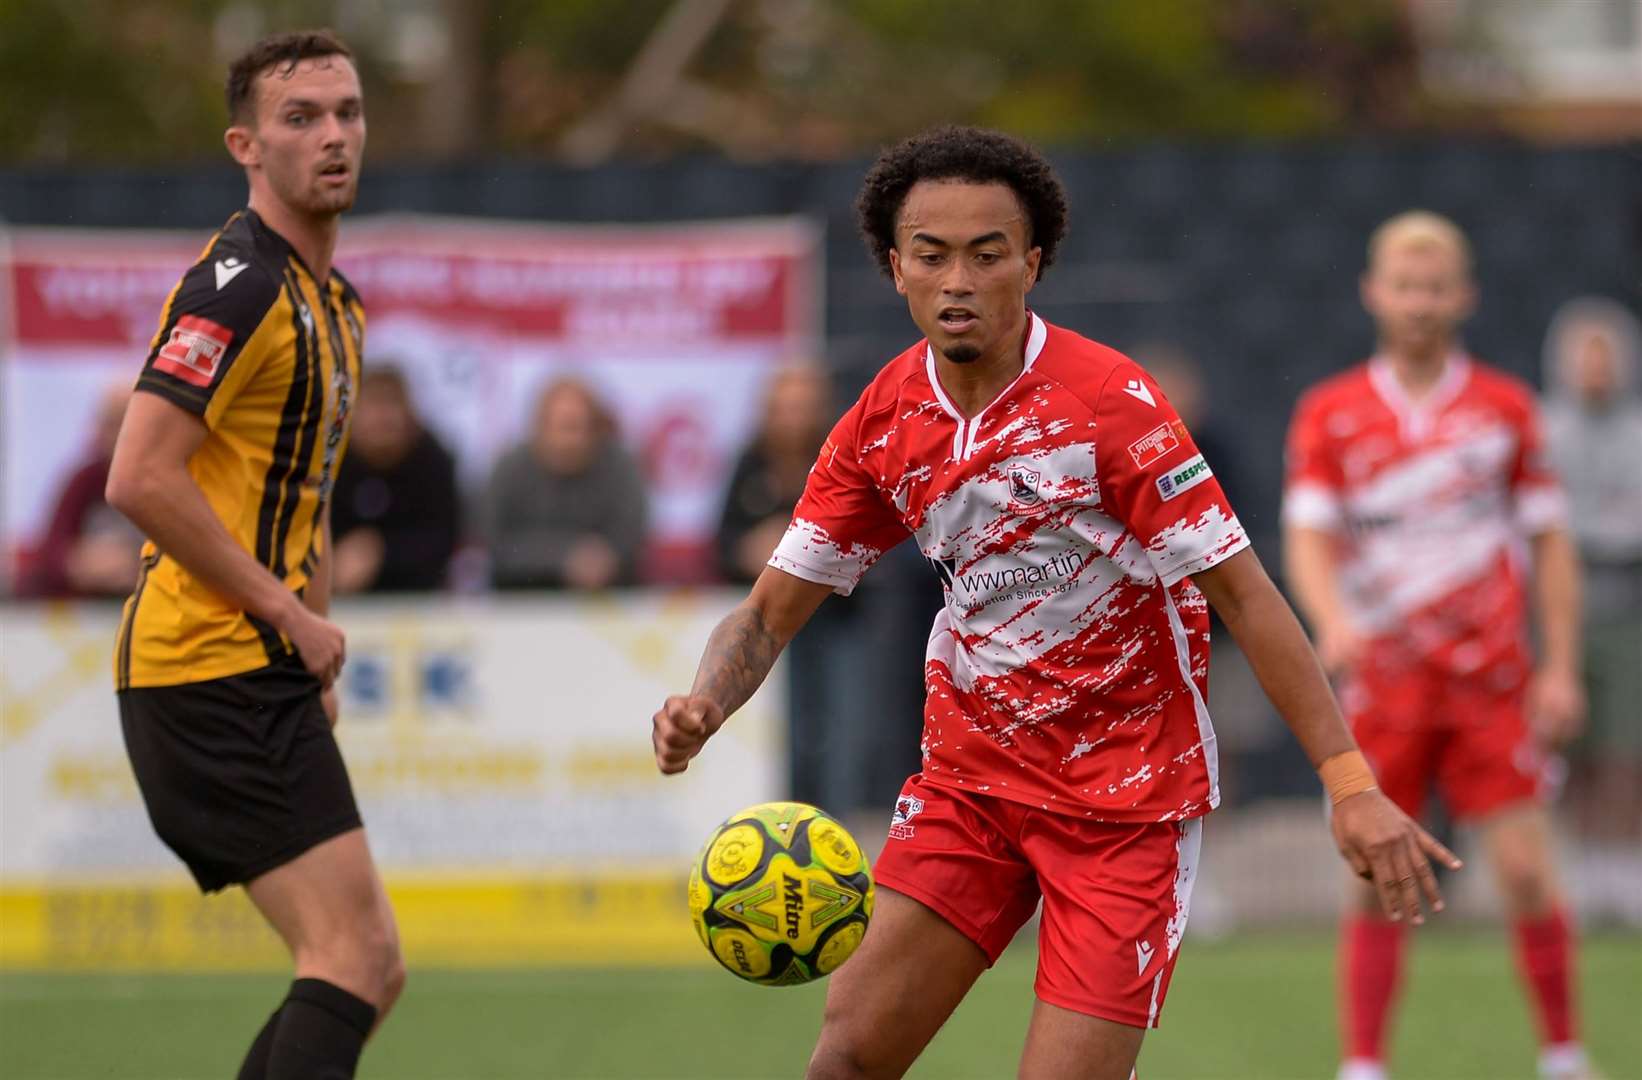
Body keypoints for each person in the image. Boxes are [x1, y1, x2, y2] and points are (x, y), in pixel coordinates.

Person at [652, 126, 1455, 1080]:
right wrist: (708, 700)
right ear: (894, 269)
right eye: (932, 254)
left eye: (988, 254)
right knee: (848, 1058)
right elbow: (770, 609)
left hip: (1126, 806)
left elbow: (1244, 592)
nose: (960, 279)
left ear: (1031, 265)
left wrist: (1350, 785)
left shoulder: (1111, 403)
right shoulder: (884, 419)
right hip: (969, 790)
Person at [104, 30, 401, 1080]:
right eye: (301, 118)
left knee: (367, 964)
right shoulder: (236, 284)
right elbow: (139, 477)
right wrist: (288, 614)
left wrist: (310, 646)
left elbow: (301, 494)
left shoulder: (337, 302)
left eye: (348, 113)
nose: (333, 136)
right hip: (203, 666)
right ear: (246, 145)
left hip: (257, 668)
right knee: (355, 957)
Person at [1282, 212, 1592, 1080]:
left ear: (1464, 297)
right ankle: (1365, 1063)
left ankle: (1565, 1054)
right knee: (1377, 870)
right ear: (1374, 293)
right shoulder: (1331, 411)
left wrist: (1560, 664)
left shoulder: (1504, 408)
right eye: (1404, 286)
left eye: (1435, 287)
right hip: (1383, 678)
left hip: (1491, 676)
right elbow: (1306, 532)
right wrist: (1332, 619)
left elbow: (1550, 543)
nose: (1419, 303)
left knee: (1528, 869)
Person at [715, 363, 870, 813]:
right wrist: (750, 550)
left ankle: (836, 831)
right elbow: (722, 542)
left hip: (840, 619)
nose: (792, 419)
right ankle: (782, 827)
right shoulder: (749, 464)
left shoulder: (844, 456)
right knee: (781, 734)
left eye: (801, 407)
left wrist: (806, 551)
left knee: (845, 734)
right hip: (773, 623)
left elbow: (879, 536)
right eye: (783, 408)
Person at [1541, 297, 1642, 846]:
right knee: (1566, 744)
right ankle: (1577, 858)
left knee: (1626, 744)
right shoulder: (1541, 430)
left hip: (1628, 610)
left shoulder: (1637, 433)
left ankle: (1624, 860)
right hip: (1559, 613)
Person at [484, 376, 648, 590]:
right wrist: (563, 557)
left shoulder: (621, 467)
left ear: (595, 429)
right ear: (538, 427)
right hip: (522, 600)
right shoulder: (510, 469)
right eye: (557, 427)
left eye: (574, 427)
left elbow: (632, 533)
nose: (565, 441)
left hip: (605, 600)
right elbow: (493, 541)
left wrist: (607, 557)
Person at [330, 365, 460, 593]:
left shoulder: (432, 462)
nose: (381, 418)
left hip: (418, 601)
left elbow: (444, 541)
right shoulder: (330, 461)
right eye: (372, 405)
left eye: (390, 405)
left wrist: (381, 553)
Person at [21, 383, 142, 598]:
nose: (117, 434)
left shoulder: (165, 481)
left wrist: (134, 566)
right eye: (110, 422)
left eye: (125, 422)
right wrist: (78, 563)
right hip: (86, 613)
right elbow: (51, 551)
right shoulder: (85, 480)